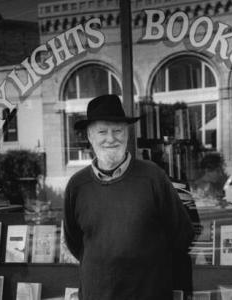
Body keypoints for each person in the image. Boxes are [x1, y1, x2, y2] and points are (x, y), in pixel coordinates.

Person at [63, 94, 194, 300]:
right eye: (102, 132)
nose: (111, 138)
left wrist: (150, 268)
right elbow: (75, 242)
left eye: (117, 131)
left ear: (127, 133)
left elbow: (181, 233)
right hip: (96, 294)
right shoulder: (78, 185)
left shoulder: (152, 177)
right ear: (90, 136)